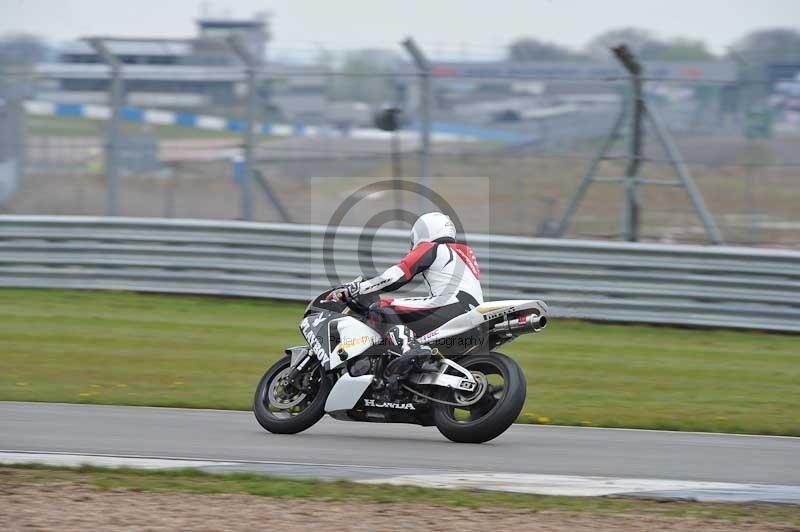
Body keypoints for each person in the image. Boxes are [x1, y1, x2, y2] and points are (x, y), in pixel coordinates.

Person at [331, 212, 483, 383]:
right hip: (473, 312)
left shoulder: (430, 248)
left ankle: (410, 348)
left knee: (381, 308)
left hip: (450, 305)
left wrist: (356, 288)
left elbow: (398, 275)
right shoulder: (466, 252)